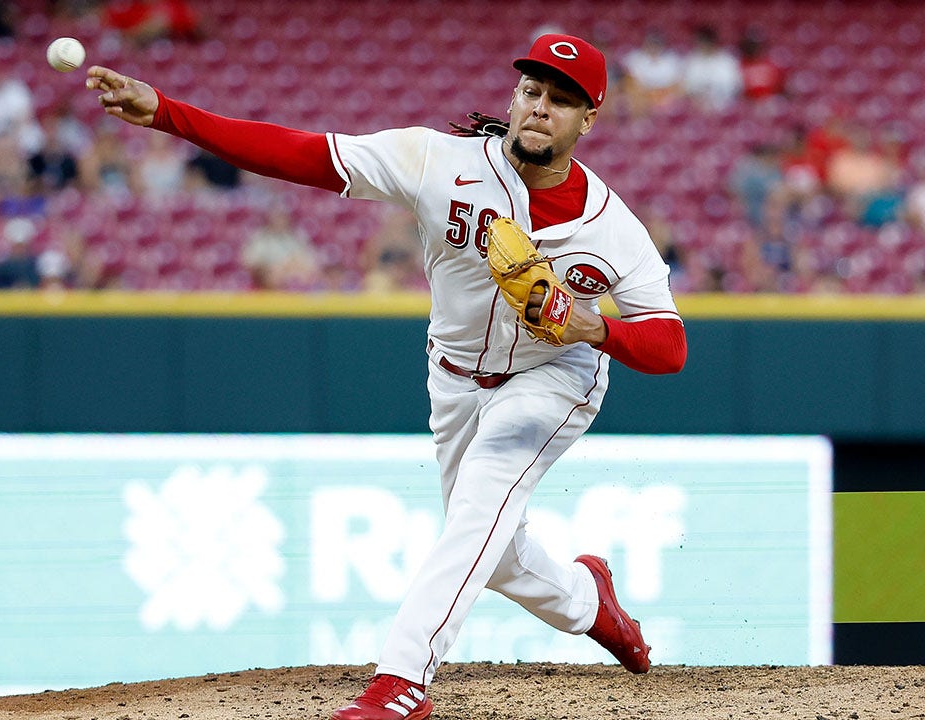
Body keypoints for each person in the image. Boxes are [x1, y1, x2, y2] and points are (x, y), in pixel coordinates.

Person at [86, 31, 686, 720]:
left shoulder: (612, 229)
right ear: (515, 98)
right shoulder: (437, 159)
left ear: (589, 120)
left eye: (561, 100)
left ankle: (401, 679)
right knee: (493, 553)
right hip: (455, 376)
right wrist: (165, 111)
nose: (539, 108)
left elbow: (670, 346)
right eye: (531, 91)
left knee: (479, 503)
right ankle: (591, 602)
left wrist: (591, 326)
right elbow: (304, 154)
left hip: (555, 376)